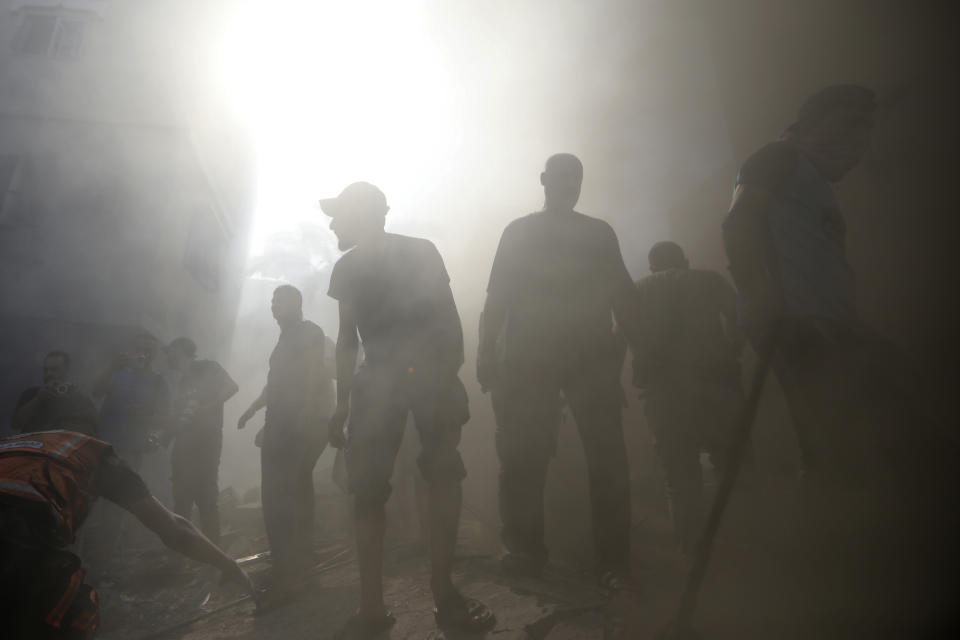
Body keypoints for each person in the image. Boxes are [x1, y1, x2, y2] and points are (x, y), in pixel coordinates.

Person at [723, 84, 959, 632]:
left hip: (831, 325)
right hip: (803, 326)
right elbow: (738, 225)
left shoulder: (808, 178)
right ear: (824, 123)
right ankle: (828, 584)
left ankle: (836, 577)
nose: (859, 153)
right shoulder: (778, 156)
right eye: (856, 132)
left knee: (847, 450)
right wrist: (769, 305)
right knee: (858, 445)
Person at [322, 182, 494, 636]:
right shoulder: (413, 252)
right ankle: (440, 593)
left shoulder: (352, 265)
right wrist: (450, 374)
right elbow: (446, 316)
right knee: (436, 475)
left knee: (373, 489)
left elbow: (348, 339)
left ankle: (374, 606)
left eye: (339, 214)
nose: (333, 223)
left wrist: (344, 402)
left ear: (364, 214)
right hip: (417, 375)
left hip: (388, 378)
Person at [477, 154, 639, 588]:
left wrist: (630, 351)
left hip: (579, 356)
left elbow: (623, 297)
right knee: (524, 457)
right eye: (563, 178)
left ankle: (612, 561)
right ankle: (526, 552)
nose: (570, 185)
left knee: (601, 458)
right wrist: (485, 353)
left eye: (577, 178)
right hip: (538, 358)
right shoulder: (523, 231)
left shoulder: (595, 233)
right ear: (545, 180)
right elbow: (497, 298)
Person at [0, 429, 255, 639]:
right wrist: (229, 565)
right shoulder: (100, 459)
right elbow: (174, 530)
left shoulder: (17, 446)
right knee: (73, 612)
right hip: (17, 542)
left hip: (19, 539)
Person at [633, 241, 746, 554]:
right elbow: (741, 315)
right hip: (716, 386)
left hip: (663, 394)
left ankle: (691, 553)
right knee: (729, 466)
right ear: (685, 260)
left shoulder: (638, 289)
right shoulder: (709, 280)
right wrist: (733, 350)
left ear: (651, 265)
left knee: (680, 477)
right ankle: (743, 545)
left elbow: (620, 336)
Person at [237, 285, 332, 599]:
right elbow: (275, 384)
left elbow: (313, 374)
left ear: (298, 304)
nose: (274, 305)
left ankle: (287, 572)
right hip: (288, 421)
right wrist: (252, 409)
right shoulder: (285, 339)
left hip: (296, 423)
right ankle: (300, 559)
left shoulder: (307, 332)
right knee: (298, 488)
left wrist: (303, 415)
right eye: (273, 300)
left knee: (277, 494)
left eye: (281, 300)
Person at [165, 337, 238, 545]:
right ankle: (183, 551)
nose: (167, 355)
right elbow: (178, 417)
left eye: (170, 350)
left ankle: (214, 554)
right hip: (184, 445)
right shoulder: (181, 382)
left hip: (207, 441)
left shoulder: (208, 367)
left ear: (180, 350)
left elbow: (232, 387)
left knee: (206, 496)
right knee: (181, 497)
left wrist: (211, 406)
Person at [92, 333, 169, 469]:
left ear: (155, 354)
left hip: (132, 451)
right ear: (132, 350)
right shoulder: (118, 371)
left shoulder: (159, 382)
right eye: (139, 349)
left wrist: (143, 416)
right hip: (103, 445)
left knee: (124, 489)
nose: (143, 354)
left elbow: (163, 420)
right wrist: (111, 368)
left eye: (148, 351)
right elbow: (96, 392)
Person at [11, 350, 98, 437]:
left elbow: (90, 431)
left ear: (67, 371)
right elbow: (16, 424)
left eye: (54, 370)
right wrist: (38, 399)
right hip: (29, 448)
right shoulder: (31, 394)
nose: (49, 374)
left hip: (62, 448)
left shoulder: (79, 397)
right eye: (46, 370)